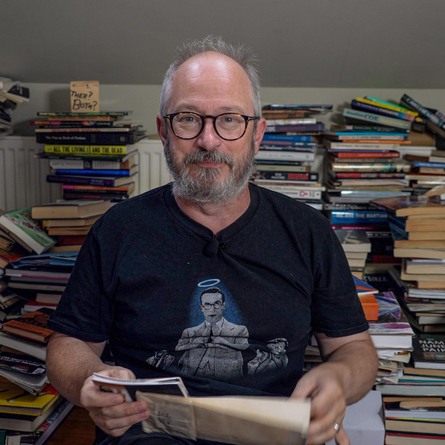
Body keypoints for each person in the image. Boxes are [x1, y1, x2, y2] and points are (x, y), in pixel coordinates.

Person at [46, 35, 378, 445]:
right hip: (148, 432)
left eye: (229, 119)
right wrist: (89, 380)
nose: (208, 140)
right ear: (163, 131)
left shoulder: (307, 232)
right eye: (188, 118)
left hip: (272, 434)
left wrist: (340, 376)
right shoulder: (118, 229)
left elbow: (356, 349)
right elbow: (69, 343)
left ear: (257, 133)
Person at [175, 286, 249, 380]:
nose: (212, 309)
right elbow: (178, 348)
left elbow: (245, 347)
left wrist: (225, 343)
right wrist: (195, 344)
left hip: (228, 381)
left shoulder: (239, 330)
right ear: (201, 307)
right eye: (207, 304)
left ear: (224, 305)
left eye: (217, 303)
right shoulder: (189, 332)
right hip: (191, 380)